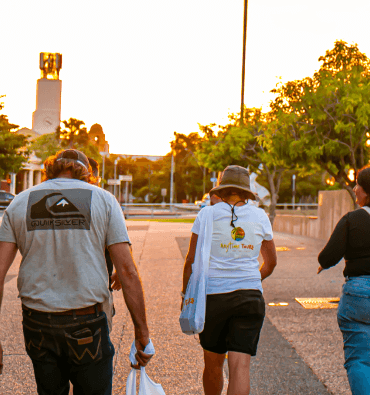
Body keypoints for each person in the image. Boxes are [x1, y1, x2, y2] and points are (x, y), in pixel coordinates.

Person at [0, 149, 152, 394]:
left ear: (50, 169)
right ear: (87, 173)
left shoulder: (20, 202)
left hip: (37, 322)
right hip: (87, 323)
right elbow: (127, 270)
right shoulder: (103, 199)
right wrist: (141, 332)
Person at [181, 165, 277, 395]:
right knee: (240, 366)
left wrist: (186, 296)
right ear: (246, 191)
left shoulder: (207, 214)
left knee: (213, 364)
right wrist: (252, 280)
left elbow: (191, 261)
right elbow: (271, 262)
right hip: (250, 299)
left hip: (214, 298)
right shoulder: (260, 216)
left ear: (222, 190)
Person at [318, 165, 370, 394]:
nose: (355, 188)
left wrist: (323, 263)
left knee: (358, 359)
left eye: (358, 184)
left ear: (366, 191)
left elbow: (327, 257)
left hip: (358, 292)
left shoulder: (352, 219)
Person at [88, 157, 122, 332]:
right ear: (93, 175)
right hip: (96, 293)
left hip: (51, 298)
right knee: (99, 350)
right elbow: (120, 243)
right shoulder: (104, 201)